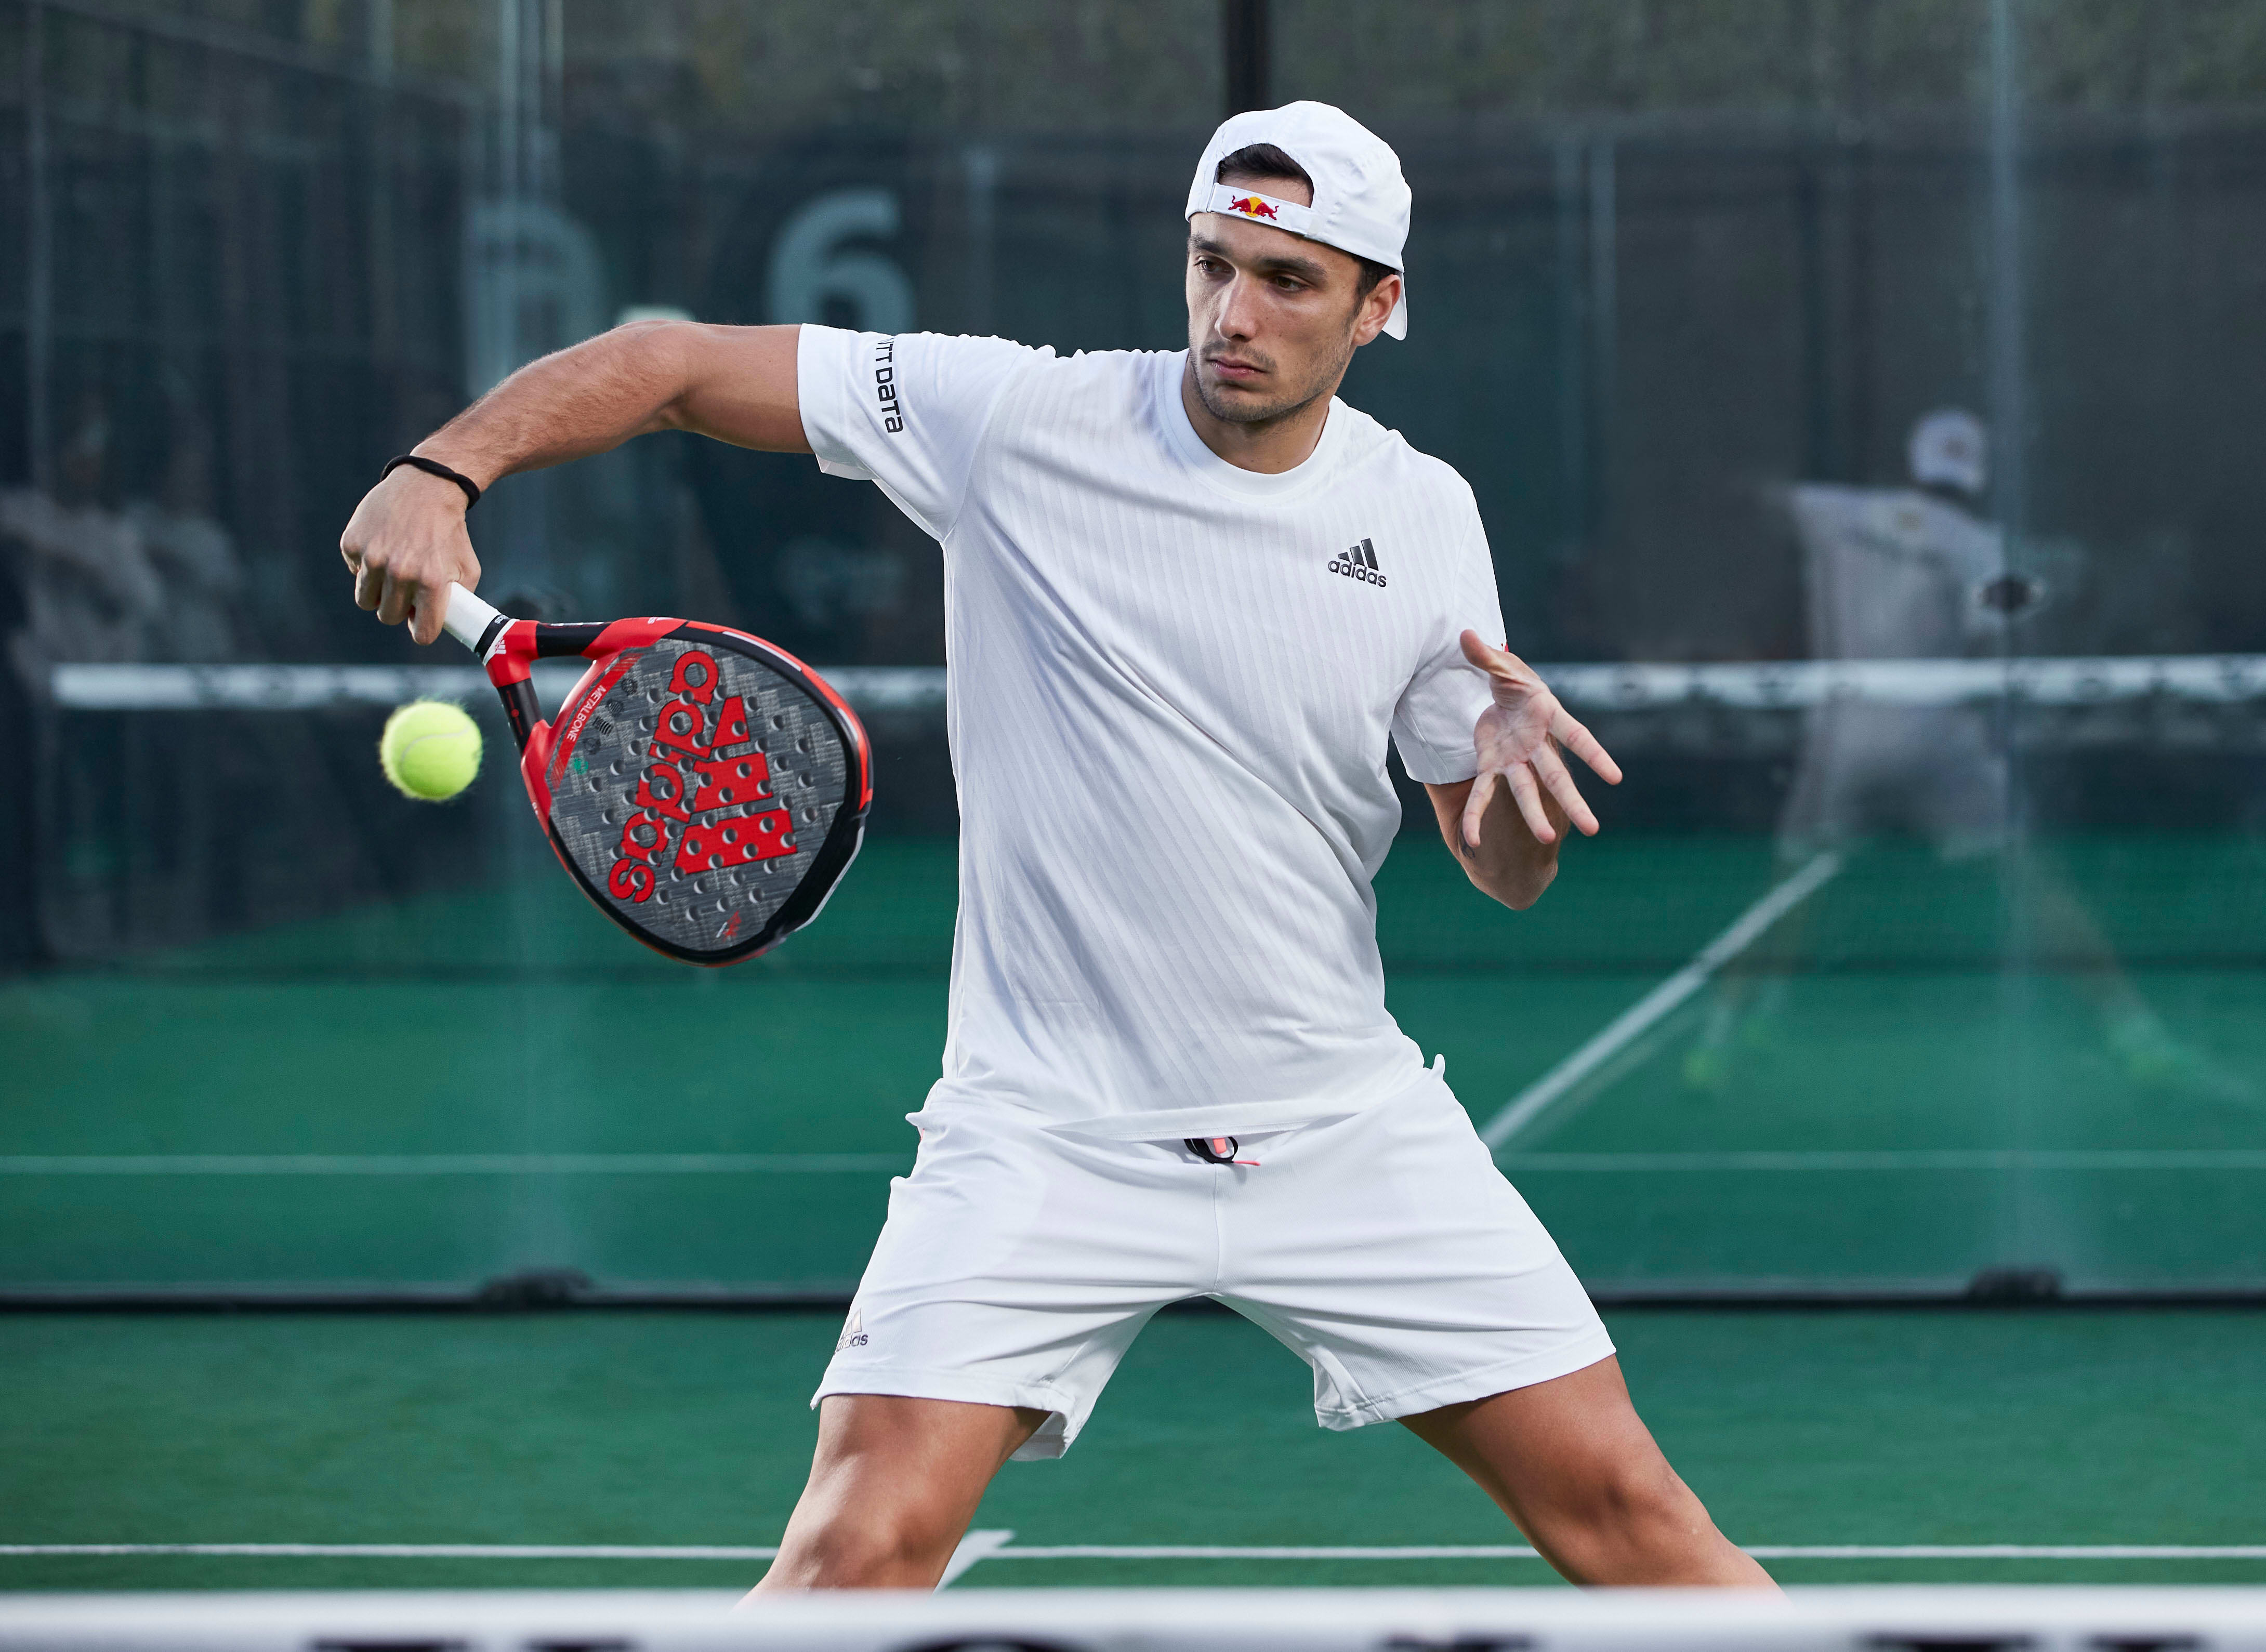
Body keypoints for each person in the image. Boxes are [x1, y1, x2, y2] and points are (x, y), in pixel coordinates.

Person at [339, 102, 1775, 1591]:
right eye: (1213, 264)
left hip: (1341, 1122)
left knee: (1638, 1523)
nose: (1235, 312)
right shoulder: (1016, 417)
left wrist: (1504, 806)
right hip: (1043, 1134)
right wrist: (444, 470)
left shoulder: (1422, 513)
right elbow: (678, 366)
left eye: (1289, 283)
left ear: (1378, 305)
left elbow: (1497, 868)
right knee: (853, 1551)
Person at [1687, 410, 2245, 1101]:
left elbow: (1754, 497)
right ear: (1975, 477)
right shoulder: (1981, 547)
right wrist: (2048, 588)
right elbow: (1993, 637)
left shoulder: (1838, 511)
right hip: (1937, 736)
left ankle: (1718, 1043)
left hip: (1847, 734)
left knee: (1788, 893)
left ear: (1912, 463)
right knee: (2032, 884)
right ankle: (2134, 1035)